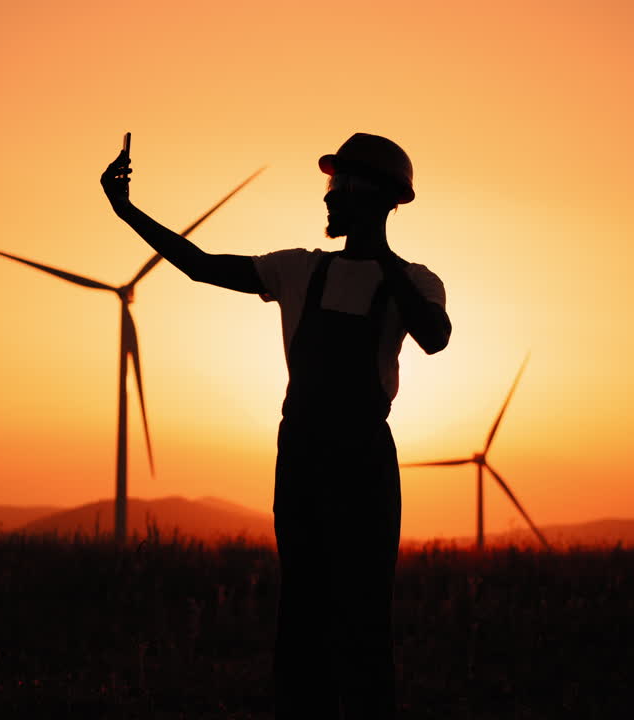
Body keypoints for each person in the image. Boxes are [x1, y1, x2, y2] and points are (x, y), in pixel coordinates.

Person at [101, 133, 451, 719]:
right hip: (303, 459)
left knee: (365, 618)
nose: (328, 200)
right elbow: (201, 267)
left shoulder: (415, 283)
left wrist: (381, 255)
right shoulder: (296, 271)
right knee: (301, 617)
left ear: (374, 196)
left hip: (364, 462)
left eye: (338, 187)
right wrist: (127, 210)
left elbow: (435, 338)